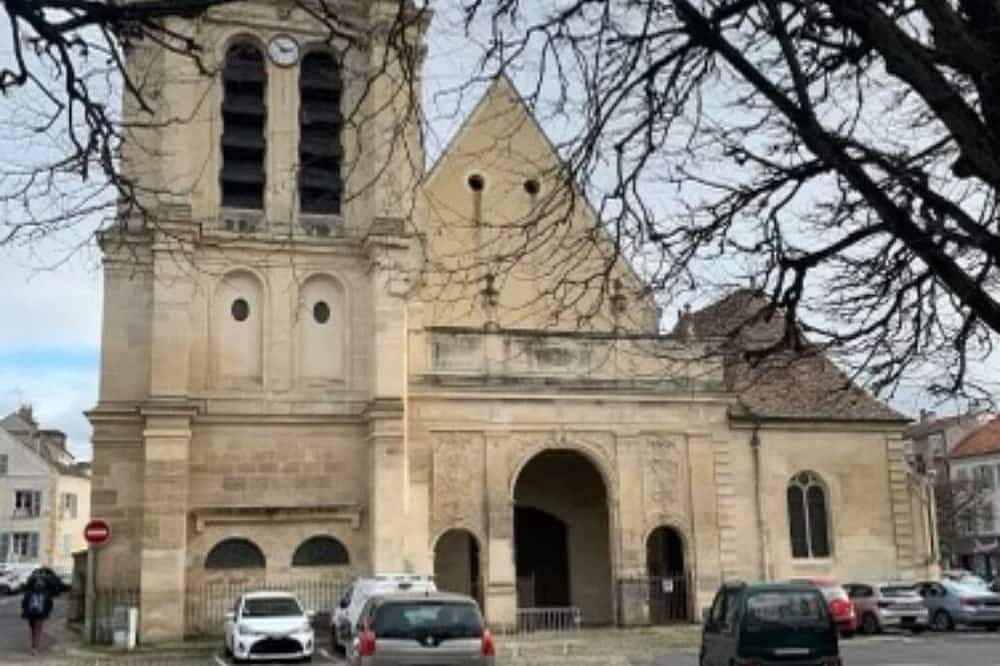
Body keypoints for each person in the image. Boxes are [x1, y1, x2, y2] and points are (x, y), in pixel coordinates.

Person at [21, 575, 53, 656]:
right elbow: (50, 605)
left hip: (31, 614)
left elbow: (24, 603)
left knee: (34, 630)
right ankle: (35, 648)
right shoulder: (46, 593)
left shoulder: (28, 593)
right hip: (40, 614)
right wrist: (47, 613)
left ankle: (34, 647)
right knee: (37, 630)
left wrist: (25, 611)